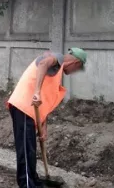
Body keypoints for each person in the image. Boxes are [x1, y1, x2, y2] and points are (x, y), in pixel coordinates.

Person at [6, 48, 87, 188]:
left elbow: (45, 100)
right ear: (75, 62)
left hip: (30, 110)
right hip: (24, 106)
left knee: (30, 149)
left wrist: (43, 126)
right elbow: (43, 64)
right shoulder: (56, 58)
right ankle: (26, 184)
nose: (75, 72)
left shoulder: (56, 71)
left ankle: (34, 181)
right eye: (78, 68)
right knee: (26, 150)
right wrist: (36, 92)